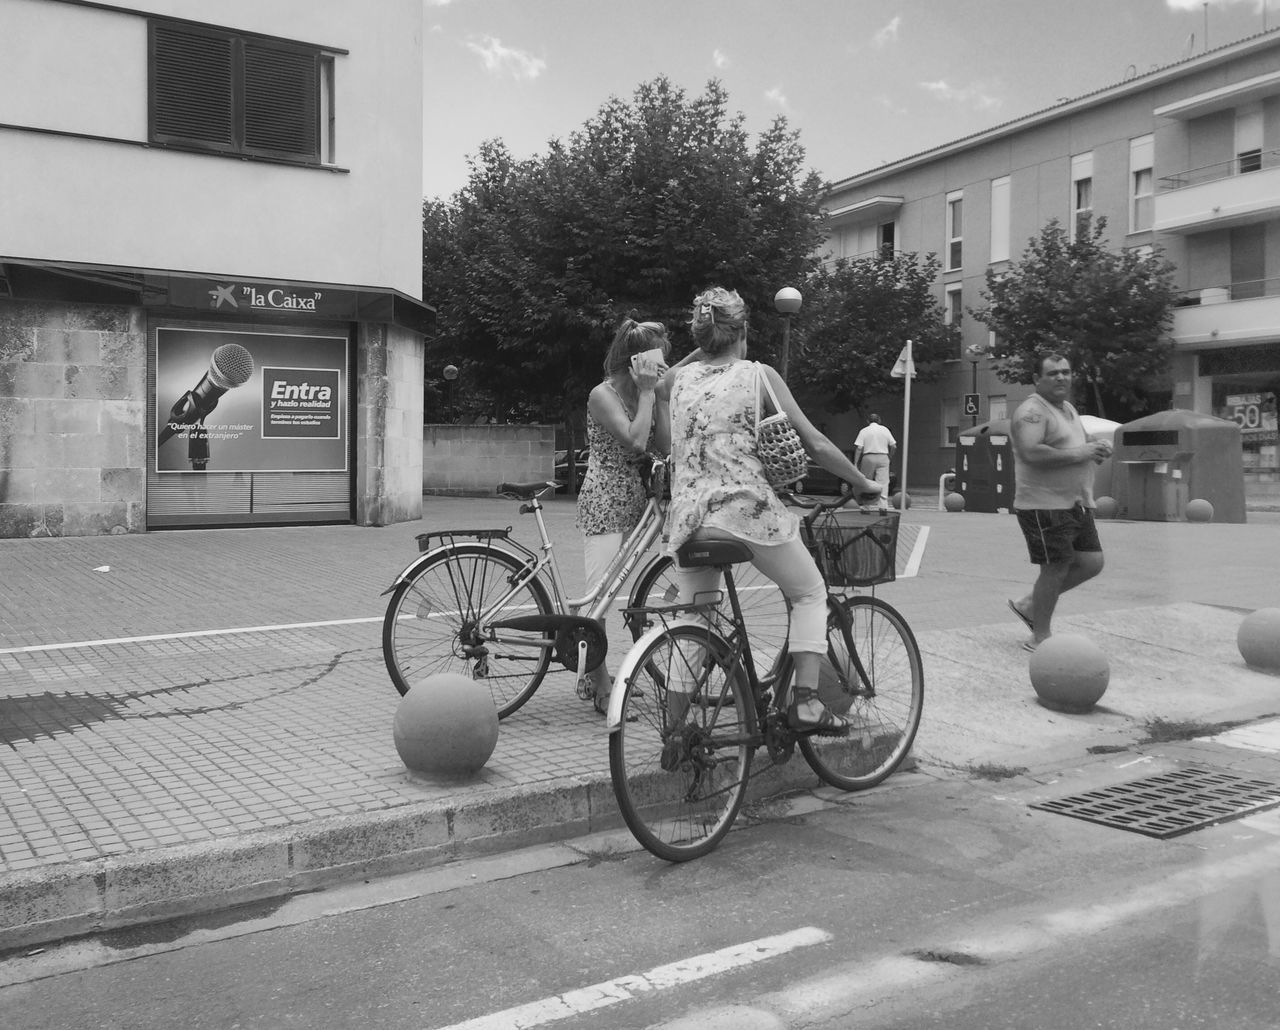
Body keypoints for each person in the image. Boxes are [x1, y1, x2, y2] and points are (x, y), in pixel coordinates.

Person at [655, 287, 883, 733]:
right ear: (742, 331)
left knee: (694, 615)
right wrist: (864, 483)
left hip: (689, 522)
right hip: (744, 513)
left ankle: (676, 728)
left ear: (702, 335)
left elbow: (664, 399)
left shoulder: (679, 382)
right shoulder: (759, 375)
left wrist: (704, 343)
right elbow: (815, 442)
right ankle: (806, 703)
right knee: (810, 592)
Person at [575, 318, 699, 713]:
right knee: (599, 598)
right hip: (605, 499)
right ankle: (599, 685)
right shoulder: (603, 394)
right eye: (658, 362)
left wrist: (660, 398)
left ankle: (591, 673)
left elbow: (662, 446)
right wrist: (649, 394)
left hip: (636, 500)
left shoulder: (649, 391)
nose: (664, 369)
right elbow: (632, 437)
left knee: (613, 589)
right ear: (636, 362)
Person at [1008, 353, 1113, 651]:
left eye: (1066, 372)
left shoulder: (1066, 408)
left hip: (1075, 502)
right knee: (1054, 568)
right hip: (1043, 505)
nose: (1061, 378)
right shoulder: (1032, 411)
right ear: (1036, 379)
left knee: (1092, 563)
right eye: (1053, 373)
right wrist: (1083, 453)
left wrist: (1096, 447)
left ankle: (1030, 605)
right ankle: (1039, 636)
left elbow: (1076, 442)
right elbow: (1031, 452)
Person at [853, 414, 896, 489]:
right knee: (883, 483)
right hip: (883, 457)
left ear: (868, 421)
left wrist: (856, 463)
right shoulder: (885, 430)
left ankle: (867, 498)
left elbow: (859, 448)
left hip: (868, 457)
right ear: (879, 420)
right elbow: (893, 446)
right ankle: (883, 499)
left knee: (866, 482)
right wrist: (889, 457)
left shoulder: (864, 431)